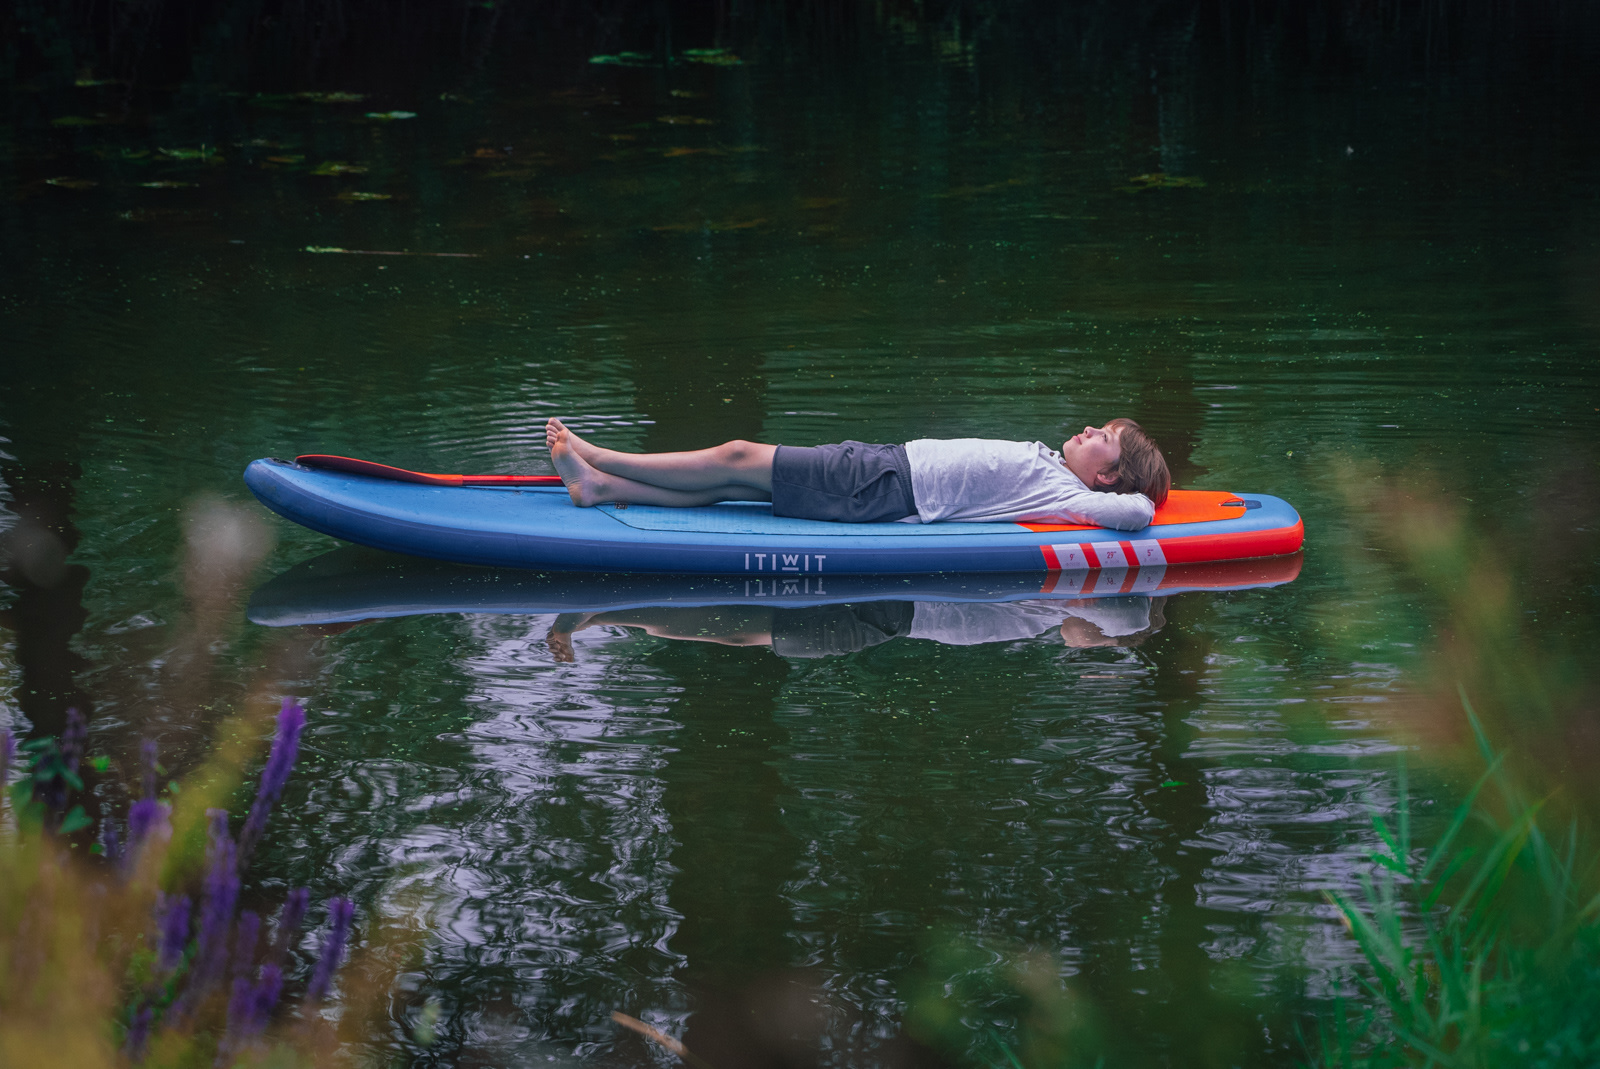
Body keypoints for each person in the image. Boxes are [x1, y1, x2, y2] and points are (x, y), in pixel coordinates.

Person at [544, 416, 1169, 531]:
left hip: (887, 482)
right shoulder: (1054, 470)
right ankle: (602, 488)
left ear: (1110, 477)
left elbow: (1137, 514)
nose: (1088, 430)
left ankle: (602, 459)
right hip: (885, 469)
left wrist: (1141, 498)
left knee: (737, 456)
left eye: (1102, 440)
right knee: (736, 488)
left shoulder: (1068, 492)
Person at [543, 595, 1167, 662]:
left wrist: (1117, 637)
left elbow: (1137, 618)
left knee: (740, 634)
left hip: (884, 625)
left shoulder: (1051, 617)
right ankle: (601, 615)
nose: (1097, 651)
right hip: (886, 615)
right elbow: (1137, 616)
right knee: (743, 631)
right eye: (1106, 645)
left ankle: (602, 616)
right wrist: (1119, 637)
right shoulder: (1063, 605)